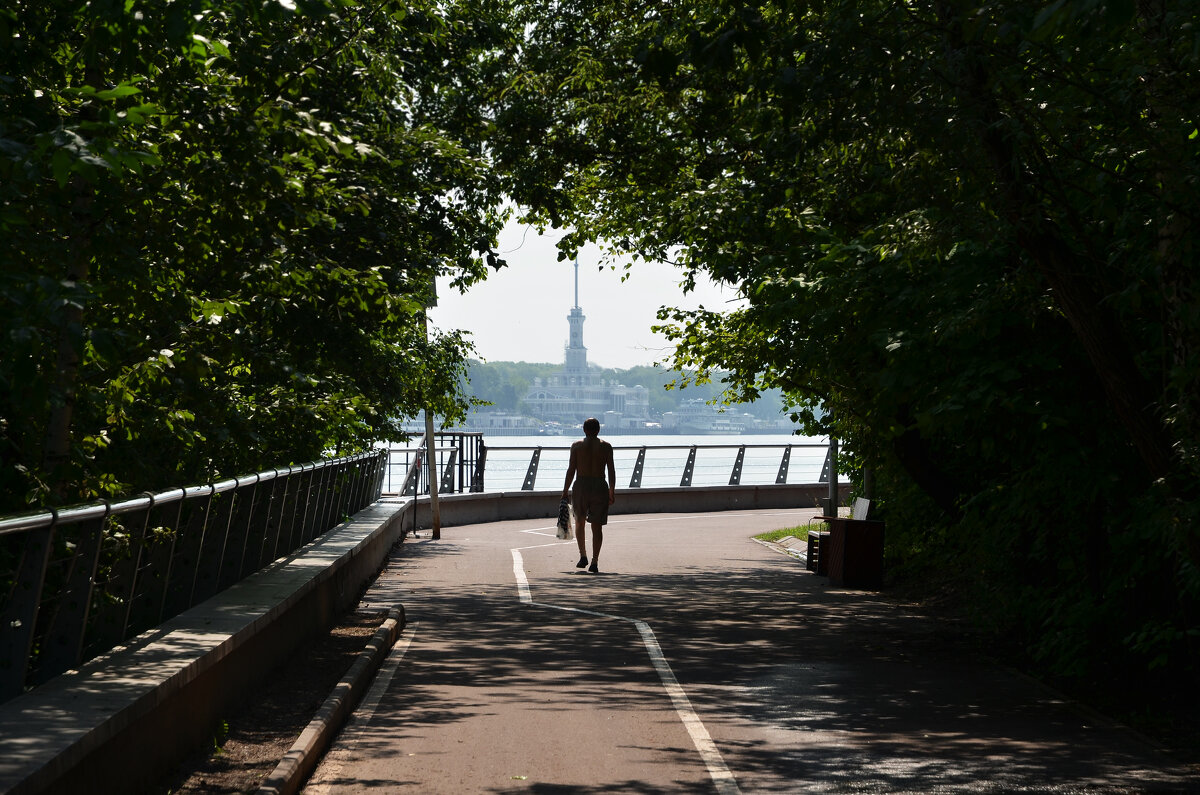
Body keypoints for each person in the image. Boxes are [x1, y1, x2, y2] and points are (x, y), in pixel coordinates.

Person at [561, 417, 615, 573]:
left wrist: (565, 490)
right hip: (599, 485)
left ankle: (582, 555)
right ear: (598, 430)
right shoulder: (606, 447)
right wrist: (612, 490)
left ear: (584, 430)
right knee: (597, 526)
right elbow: (611, 470)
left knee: (579, 521)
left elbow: (571, 470)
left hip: (581, 486)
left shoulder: (577, 446)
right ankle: (595, 561)